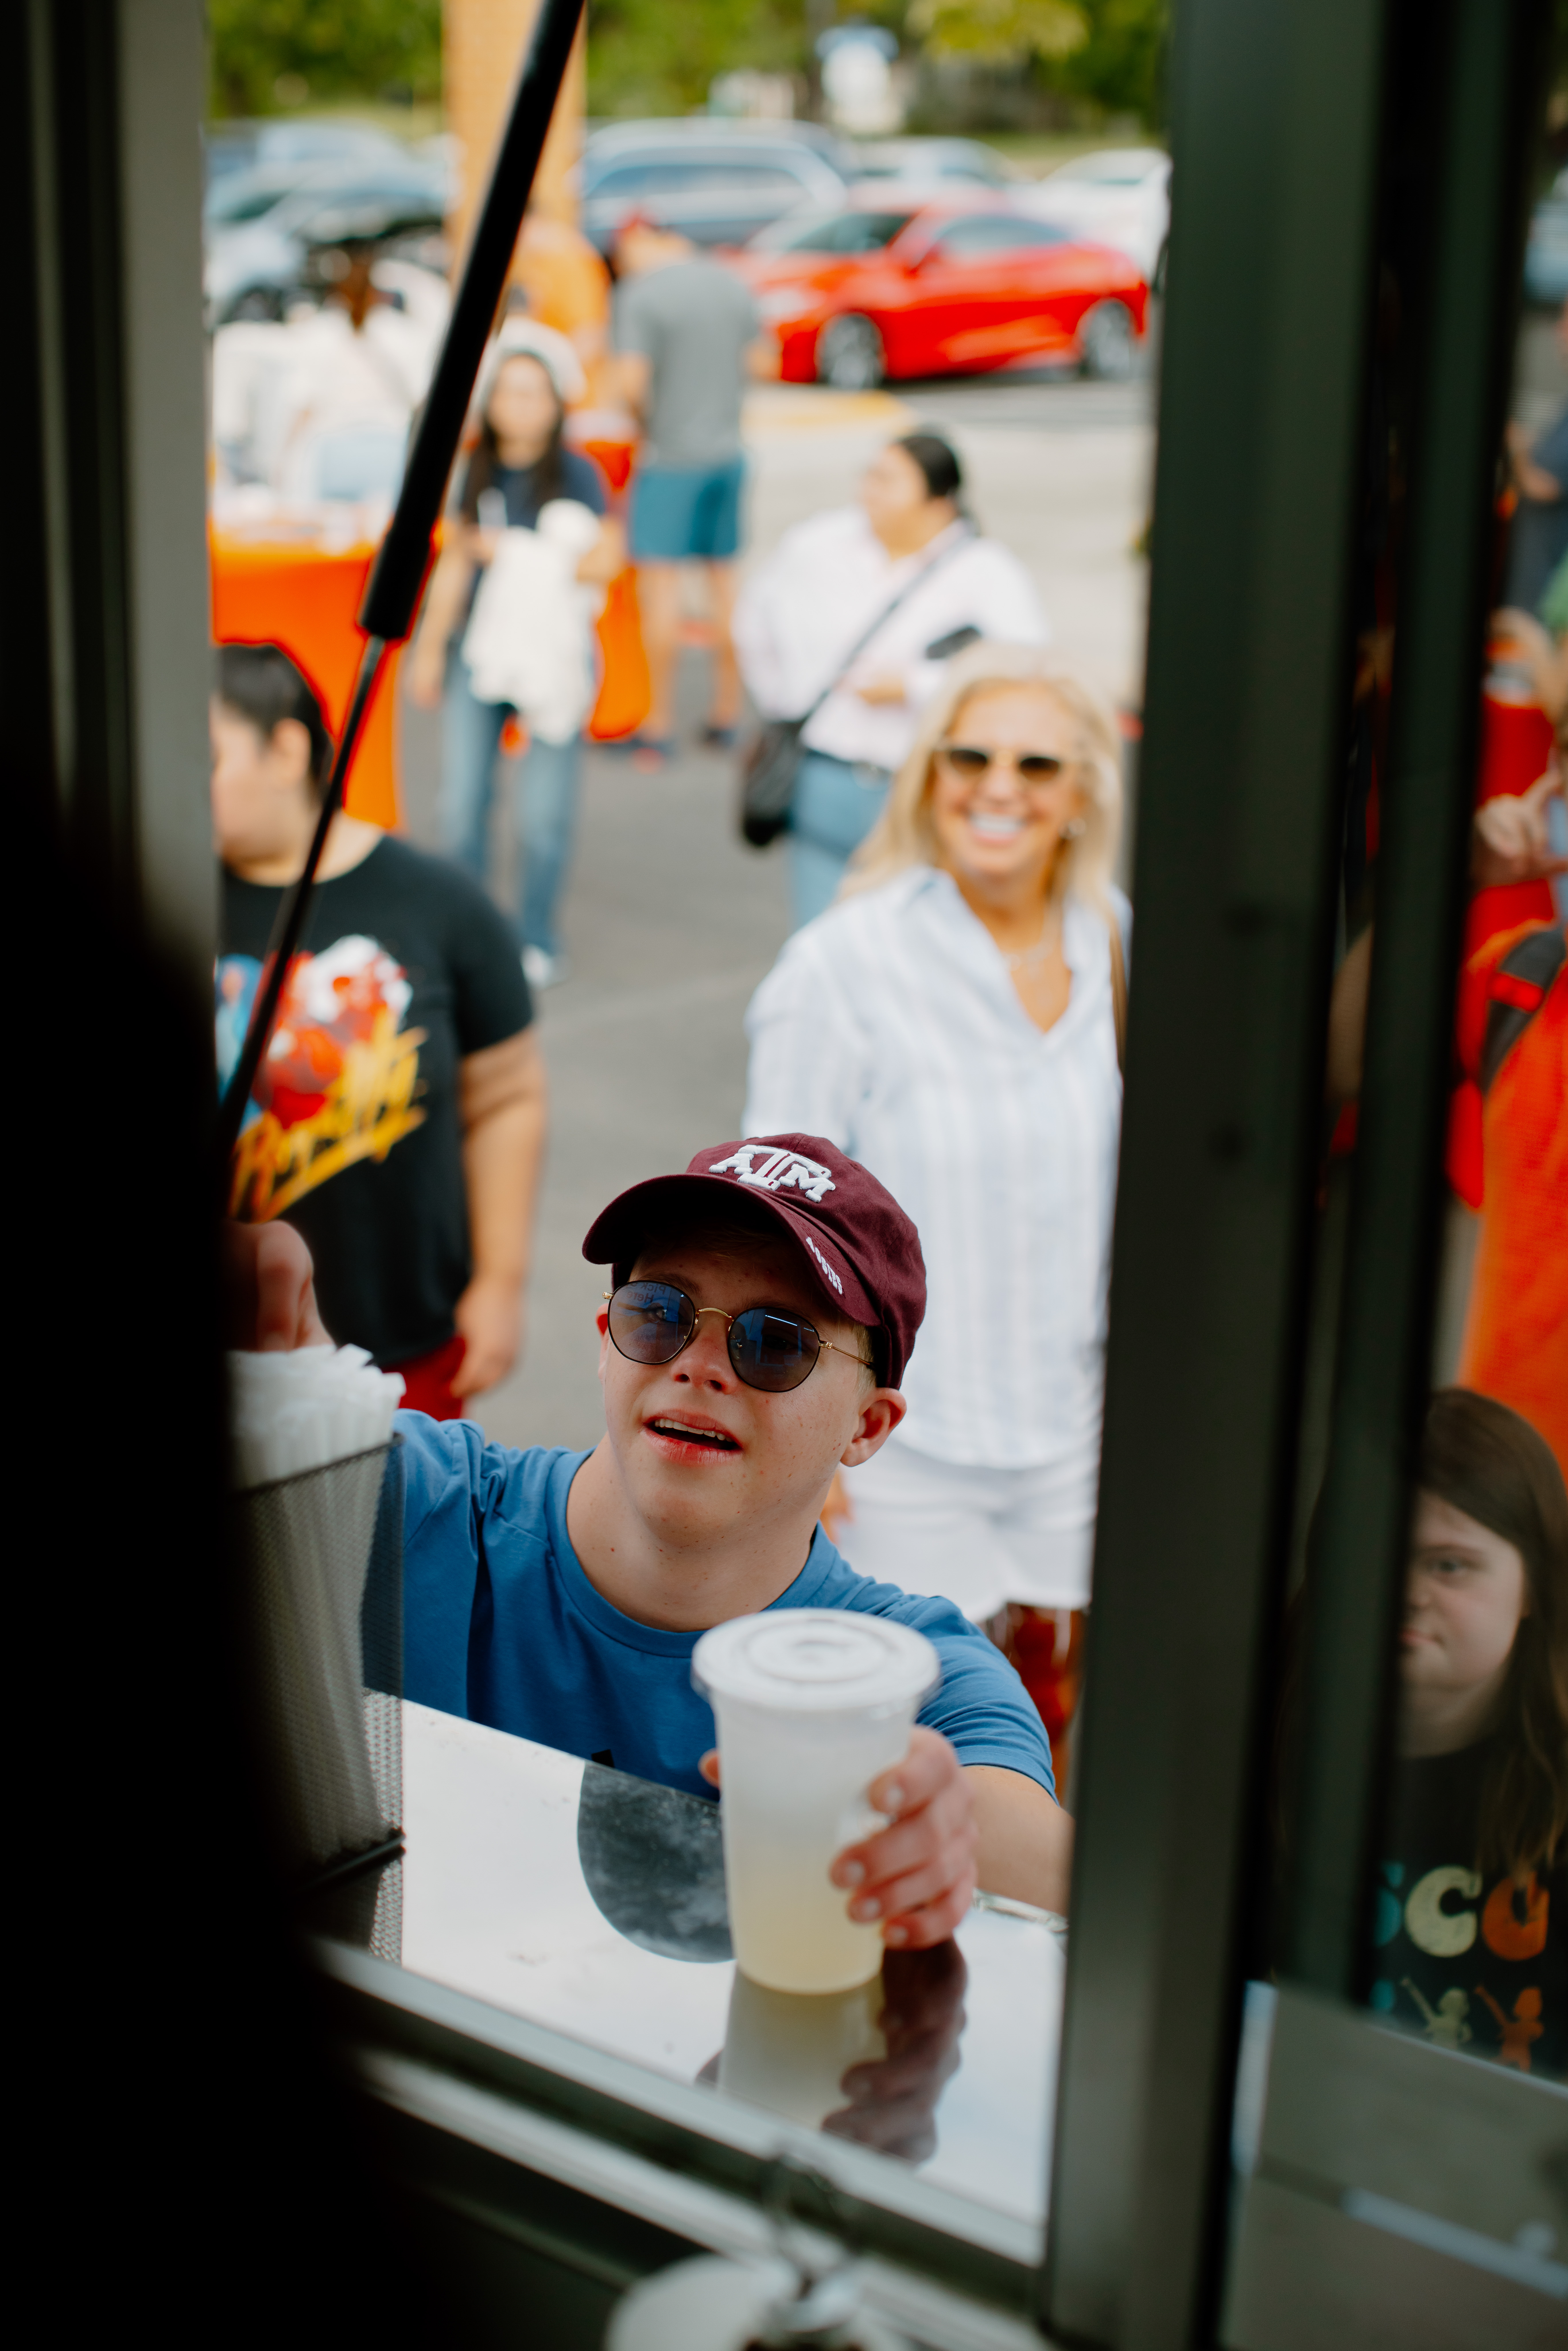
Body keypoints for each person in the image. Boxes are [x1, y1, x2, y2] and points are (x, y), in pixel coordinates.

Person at [227, 1134, 1077, 1942]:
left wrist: (942, 1835)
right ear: (607, 1343)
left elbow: (1051, 1867)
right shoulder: (398, 1504)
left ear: (868, 1425)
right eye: (660, 1314)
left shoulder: (911, 1675)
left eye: (774, 1343)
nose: (699, 1365)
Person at [742, 644, 1128, 1778]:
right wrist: (807, 1442)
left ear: (1081, 794)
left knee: (1054, 1737)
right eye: (970, 754)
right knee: (913, 1756)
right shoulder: (845, 962)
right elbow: (776, 1217)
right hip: (903, 1449)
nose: (998, 784)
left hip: (1078, 1428)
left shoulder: (1115, 935)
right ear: (927, 776)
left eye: (1035, 762)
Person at [214, 642, 547, 1417]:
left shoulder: (439, 905)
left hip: (400, 1352)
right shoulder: (161, 884)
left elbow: (508, 1099)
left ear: (287, 750)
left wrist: (500, 1283)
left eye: (207, 757)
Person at [733, 435, 1048, 928]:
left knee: (918, 939)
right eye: (870, 474)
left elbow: (1026, 670)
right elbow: (754, 622)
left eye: (889, 479)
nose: (869, 490)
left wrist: (918, 687)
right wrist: (785, 703)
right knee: (821, 939)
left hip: (920, 786)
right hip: (822, 774)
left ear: (939, 500)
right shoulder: (817, 544)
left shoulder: (986, 573)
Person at [409, 327, 625, 990]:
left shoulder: (579, 473)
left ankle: (534, 935)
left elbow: (607, 558)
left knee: (541, 814)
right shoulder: (470, 469)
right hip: (477, 652)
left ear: (555, 403)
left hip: (553, 655)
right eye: (509, 391)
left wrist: (523, 555)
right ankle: (466, 931)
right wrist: (426, 649)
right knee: (460, 804)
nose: (520, 405)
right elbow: (451, 562)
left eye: (534, 393)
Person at [1371, 1390, 1568, 2081]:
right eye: (1375, 1548)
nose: (1405, 1590)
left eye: (1447, 1564)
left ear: (1534, 1589)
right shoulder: (1239, 1736)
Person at [608, 216, 778, 764]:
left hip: (670, 460)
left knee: (662, 594)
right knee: (723, 588)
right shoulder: (732, 283)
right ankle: (726, 714)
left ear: (645, 239)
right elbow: (764, 363)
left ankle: (658, 725)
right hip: (728, 456)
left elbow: (631, 385)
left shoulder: (641, 296)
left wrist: (649, 419)